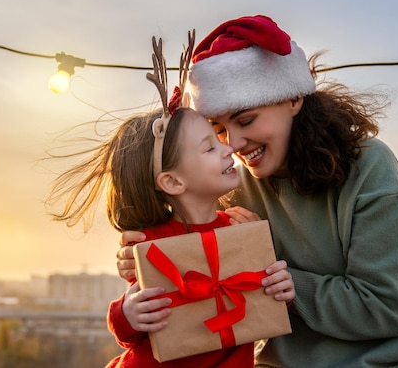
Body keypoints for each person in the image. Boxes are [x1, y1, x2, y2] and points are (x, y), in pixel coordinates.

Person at [116, 15, 398, 367]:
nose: (234, 144)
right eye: (218, 130)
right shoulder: (234, 183)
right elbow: (202, 274)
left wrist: (286, 286)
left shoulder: (368, 167)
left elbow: (386, 307)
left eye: (246, 120)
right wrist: (148, 256)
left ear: (293, 98)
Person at [47, 36, 295, 367]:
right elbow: (130, 330)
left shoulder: (240, 226)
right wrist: (127, 314)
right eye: (210, 146)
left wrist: (282, 289)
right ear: (174, 181)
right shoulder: (150, 244)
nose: (229, 148)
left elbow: (261, 308)